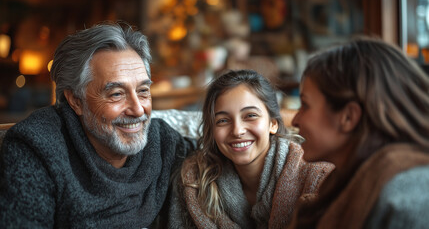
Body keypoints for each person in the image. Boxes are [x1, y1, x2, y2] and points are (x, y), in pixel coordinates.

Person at [0, 23, 197, 228]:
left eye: (143, 91)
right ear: (76, 100)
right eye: (116, 94)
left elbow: (214, 158)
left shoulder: (161, 142)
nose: (138, 110)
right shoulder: (36, 146)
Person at [288, 38, 429, 228]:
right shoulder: (345, 180)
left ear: (348, 117)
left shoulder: (405, 196)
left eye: (305, 105)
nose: (296, 120)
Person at [166, 69, 334, 228]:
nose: (237, 131)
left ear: (273, 123)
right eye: (223, 120)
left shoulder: (317, 176)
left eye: (250, 116)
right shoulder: (193, 181)